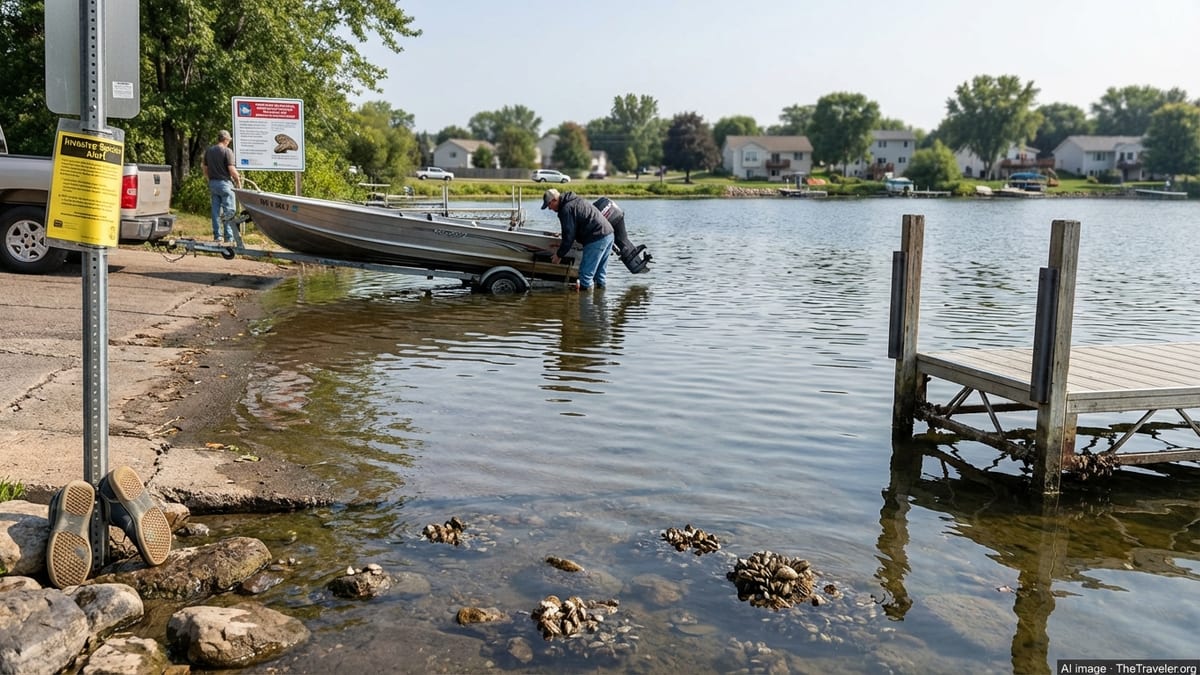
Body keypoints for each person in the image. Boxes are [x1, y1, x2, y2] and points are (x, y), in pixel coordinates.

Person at [542, 188, 614, 290]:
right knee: (599, 275)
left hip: (596, 237)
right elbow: (574, 228)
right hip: (608, 234)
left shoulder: (566, 209)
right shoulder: (574, 200)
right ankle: (600, 303)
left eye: (549, 205)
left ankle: (586, 304)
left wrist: (559, 255)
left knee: (585, 276)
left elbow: (569, 236)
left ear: (554, 200)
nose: (549, 208)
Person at [202, 130, 241, 242]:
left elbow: (205, 168)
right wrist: (238, 181)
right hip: (225, 183)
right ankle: (229, 237)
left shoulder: (209, 151)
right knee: (229, 211)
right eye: (228, 140)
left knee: (216, 211)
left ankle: (217, 236)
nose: (229, 142)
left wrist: (209, 179)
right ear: (225, 140)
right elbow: (231, 169)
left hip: (213, 183)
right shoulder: (227, 151)